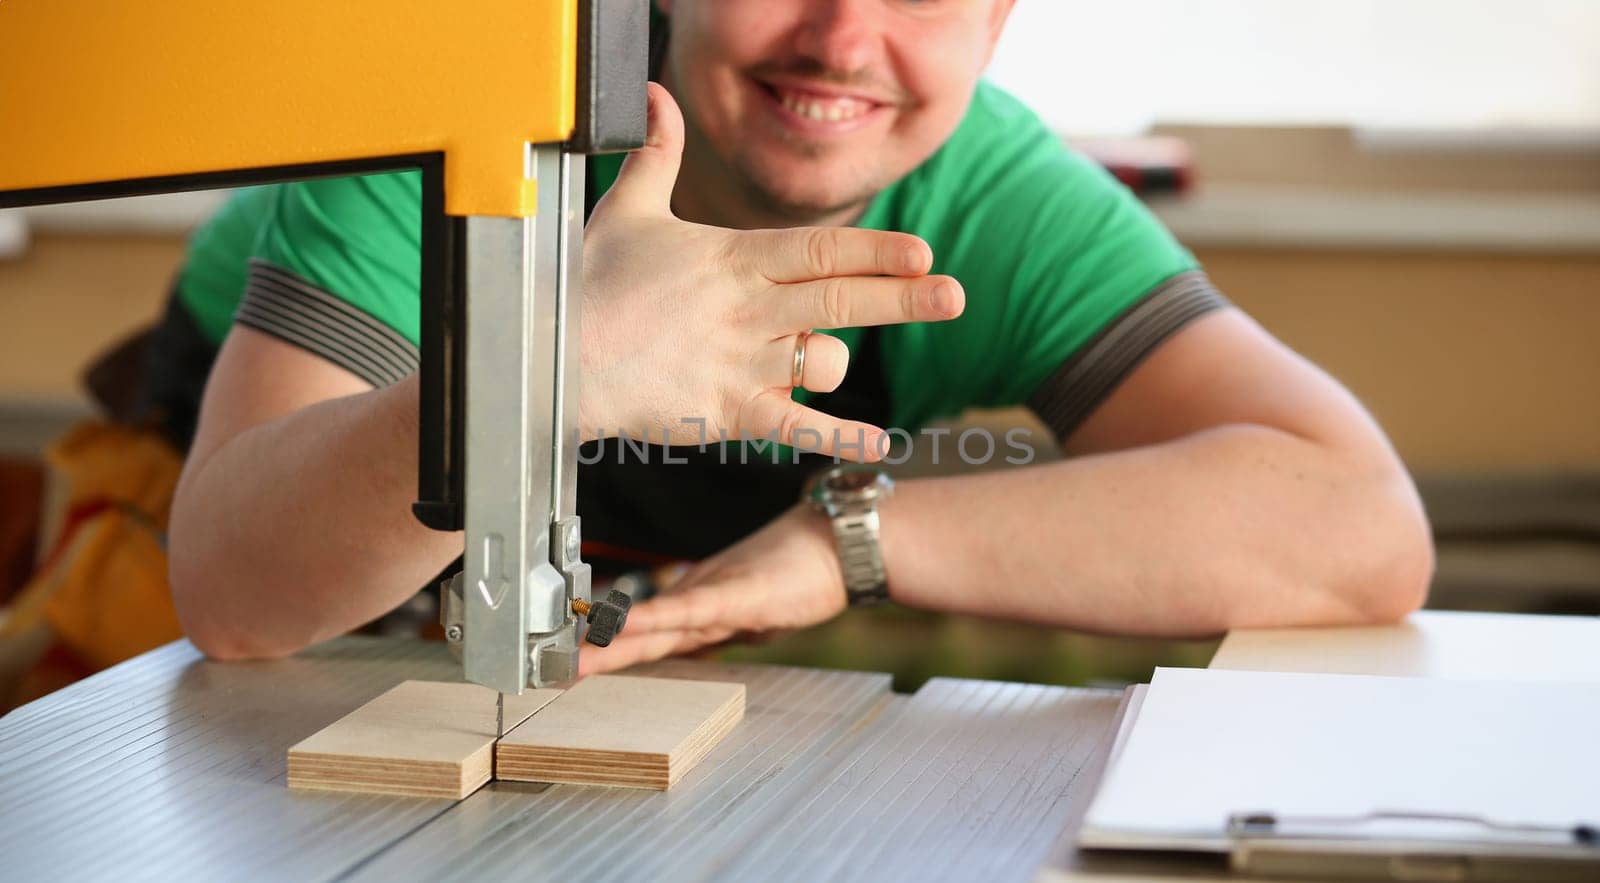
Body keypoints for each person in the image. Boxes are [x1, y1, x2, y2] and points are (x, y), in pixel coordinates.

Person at [158, 0, 1433, 671]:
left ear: (997, 24)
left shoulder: (995, 195)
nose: (841, 39)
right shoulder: (460, 120)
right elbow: (234, 598)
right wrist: (545, 374)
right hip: (249, 550)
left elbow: (1354, 525)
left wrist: (849, 541)